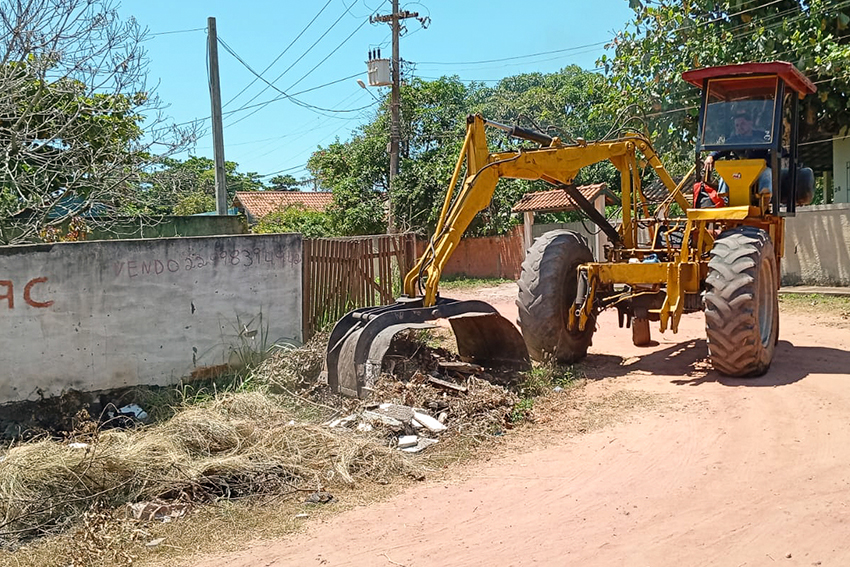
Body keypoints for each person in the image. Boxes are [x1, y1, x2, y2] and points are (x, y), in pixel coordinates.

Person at [703, 107, 772, 198]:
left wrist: (767, 160)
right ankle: (722, 200)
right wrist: (711, 156)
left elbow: (775, 150)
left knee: (767, 172)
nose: (740, 127)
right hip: (739, 172)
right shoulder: (733, 140)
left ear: (750, 123)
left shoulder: (762, 137)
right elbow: (720, 150)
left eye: (742, 124)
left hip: (758, 171)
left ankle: (764, 200)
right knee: (725, 176)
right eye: (737, 125)